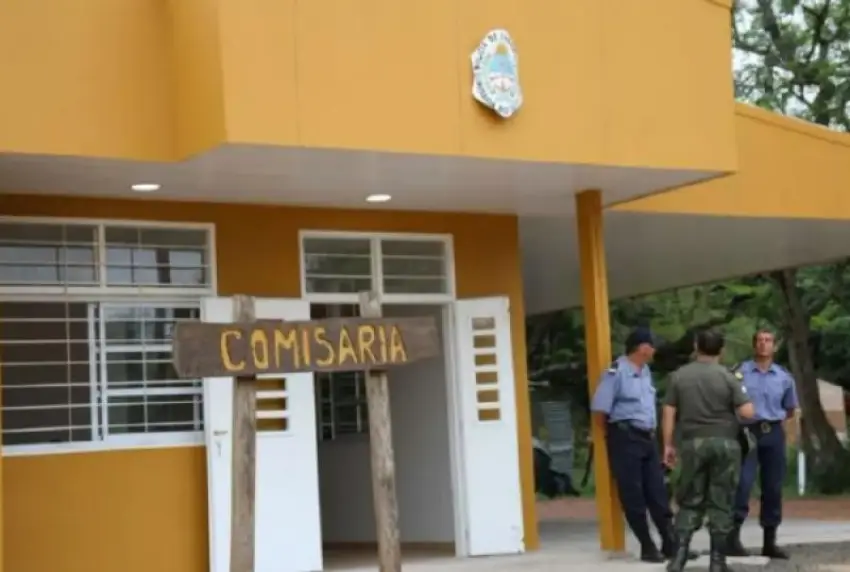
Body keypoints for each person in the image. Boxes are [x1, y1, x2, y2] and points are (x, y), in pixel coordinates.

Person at [662, 329, 755, 572]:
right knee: (721, 500)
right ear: (721, 350)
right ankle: (717, 561)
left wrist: (668, 445)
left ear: (696, 346)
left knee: (689, 499)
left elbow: (669, 412)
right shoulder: (728, 377)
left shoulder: (679, 376)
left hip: (692, 444)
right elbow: (747, 412)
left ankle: (679, 557)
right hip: (725, 443)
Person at [591, 328, 679, 563]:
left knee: (658, 492)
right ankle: (647, 546)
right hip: (625, 437)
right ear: (642, 348)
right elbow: (600, 410)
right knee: (633, 494)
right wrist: (615, 435)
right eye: (651, 345)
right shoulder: (616, 372)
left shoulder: (645, 371)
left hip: (647, 438)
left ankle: (670, 542)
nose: (654, 350)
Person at [727, 329, 798, 559]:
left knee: (773, 487)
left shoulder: (784, 377)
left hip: (773, 432)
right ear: (753, 345)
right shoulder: (740, 373)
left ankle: (770, 541)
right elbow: (729, 403)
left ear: (774, 346)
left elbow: (790, 409)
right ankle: (732, 538)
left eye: (768, 341)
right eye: (759, 340)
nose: (763, 344)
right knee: (743, 483)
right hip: (747, 431)